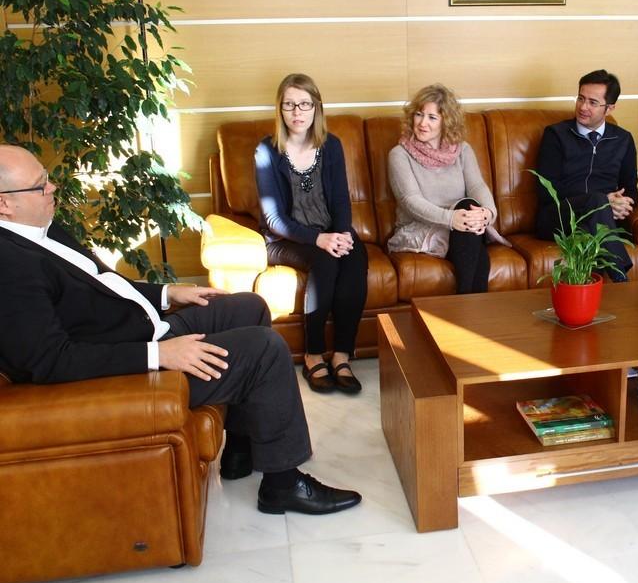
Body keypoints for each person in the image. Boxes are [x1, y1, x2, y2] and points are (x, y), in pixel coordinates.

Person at [0, 144, 361, 515]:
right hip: (126, 367)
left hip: (143, 331)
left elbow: (105, 284)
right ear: (4, 204)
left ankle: (241, 448)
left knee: (249, 306)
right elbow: (50, 360)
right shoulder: (9, 267)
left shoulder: (42, 228)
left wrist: (168, 292)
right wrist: (160, 355)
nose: (53, 189)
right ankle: (283, 485)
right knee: (265, 349)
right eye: (40, 185)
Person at [255, 73, 368, 394]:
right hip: (287, 241)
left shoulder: (331, 146)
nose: (297, 112)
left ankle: (343, 354)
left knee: (355, 255)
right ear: (280, 109)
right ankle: (313, 353)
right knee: (325, 261)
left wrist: (342, 234)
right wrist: (319, 239)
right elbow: (273, 217)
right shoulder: (267, 151)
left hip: (328, 230)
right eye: (289, 104)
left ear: (316, 107)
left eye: (304, 104)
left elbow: (340, 200)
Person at [387, 83, 503, 294]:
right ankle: (470, 307)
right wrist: (451, 219)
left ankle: (465, 307)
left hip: (461, 226)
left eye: (432, 117)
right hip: (420, 227)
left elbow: (477, 186)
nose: (422, 123)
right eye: (419, 115)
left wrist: (487, 212)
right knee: (472, 235)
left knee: (470, 209)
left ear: (446, 122)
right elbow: (410, 201)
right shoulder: (399, 154)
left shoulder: (462, 150)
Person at [535, 69, 638, 281]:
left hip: (601, 221)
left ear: (609, 108)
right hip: (558, 216)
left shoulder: (623, 140)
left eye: (592, 102)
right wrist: (601, 202)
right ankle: (621, 278)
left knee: (591, 230)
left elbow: (631, 189)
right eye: (581, 98)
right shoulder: (556, 135)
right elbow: (547, 191)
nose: (583, 107)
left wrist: (622, 204)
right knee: (598, 201)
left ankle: (590, 297)